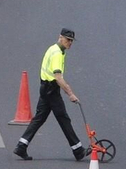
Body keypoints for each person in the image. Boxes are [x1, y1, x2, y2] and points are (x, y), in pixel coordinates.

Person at [14, 28, 88, 161]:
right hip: (51, 90)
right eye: (67, 40)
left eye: (71, 41)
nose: (70, 43)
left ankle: (21, 146)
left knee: (39, 118)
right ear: (60, 37)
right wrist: (70, 94)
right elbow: (58, 77)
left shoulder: (53, 48)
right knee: (63, 118)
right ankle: (78, 150)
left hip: (45, 88)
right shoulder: (57, 54)